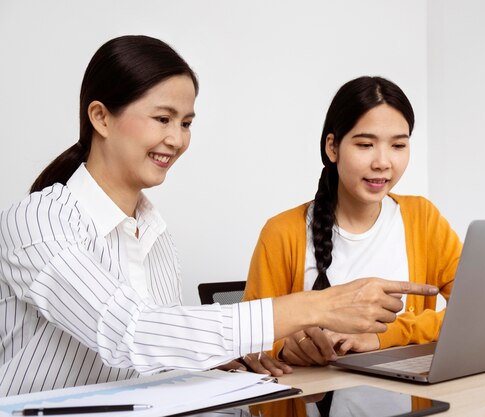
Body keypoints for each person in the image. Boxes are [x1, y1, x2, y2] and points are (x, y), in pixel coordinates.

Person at [0, 36, 439, 396]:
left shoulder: (154, 234)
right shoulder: (39, 222)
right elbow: (131, 335)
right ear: (101, 117)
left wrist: (215, 355)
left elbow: (154, 356)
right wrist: (317, 305)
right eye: (162, 118)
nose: (176, 139)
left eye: (186, 122)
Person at [242, 76, 462, 373]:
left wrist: (382, 335)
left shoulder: (423, 218)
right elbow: (248, 343)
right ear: (332, 147)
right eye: (365, 144)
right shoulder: (282, 233)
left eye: (398, 145)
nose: (383, 162)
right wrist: (285, 346)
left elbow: (474, 313)